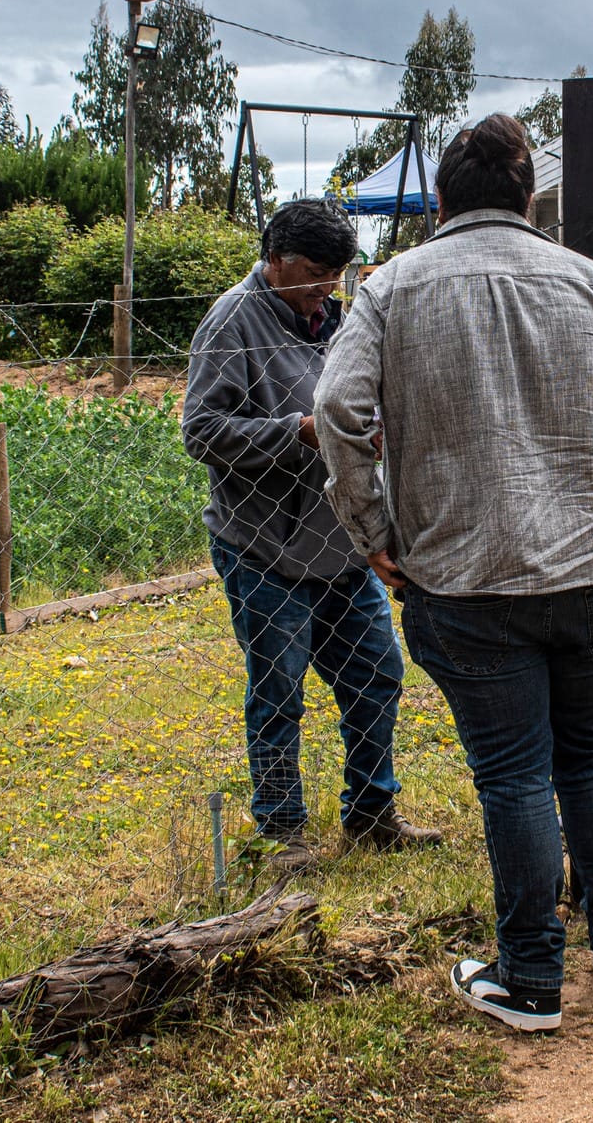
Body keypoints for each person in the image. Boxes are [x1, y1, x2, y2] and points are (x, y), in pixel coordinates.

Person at [316, 113, 593, 1034]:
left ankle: (529, 979)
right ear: (528, 198)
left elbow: (335, 406)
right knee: (592, 750)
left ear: (441, 199)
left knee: (515, 772)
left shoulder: (392, 288)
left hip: (466, 576)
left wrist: (371, 530)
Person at [183, 198, 442, 872]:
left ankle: (372, 813)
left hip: (341, 544)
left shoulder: (340, 320)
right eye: (315, 271)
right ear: (275, 258)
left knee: (378, 674)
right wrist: (296, 433)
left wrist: (371, 428)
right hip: (264, 548)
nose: (327, 285)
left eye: (336, 273)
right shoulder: (232, 322)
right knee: (279, 693)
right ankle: (282, 832)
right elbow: (201, 432)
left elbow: (361, 396)